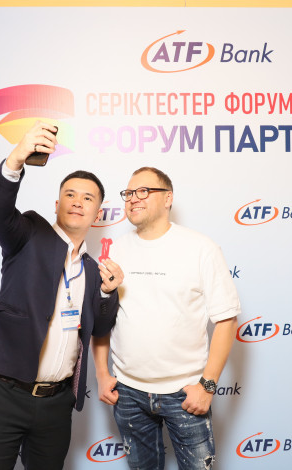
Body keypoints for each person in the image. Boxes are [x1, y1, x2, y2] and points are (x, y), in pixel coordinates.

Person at [0, 121, 123, 470]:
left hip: (56, 404)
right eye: (70, 195)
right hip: (3, 396)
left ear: (98, 213)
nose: (78, 202)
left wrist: (108, 293)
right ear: (57, 203)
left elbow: (100, 329)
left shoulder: (93, 270)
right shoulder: (28, 233)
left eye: (88, 198)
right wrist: (16, 159)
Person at [92, 167, 241, 470]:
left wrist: (207, 386)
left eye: (144, 191)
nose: (133, 198)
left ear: (168, 198)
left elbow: (226, 320)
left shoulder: (201, 248)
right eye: (128, 193)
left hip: (184, 392)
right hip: (128, 393)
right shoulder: (114, 250)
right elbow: (102, 317)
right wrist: (102, 373)